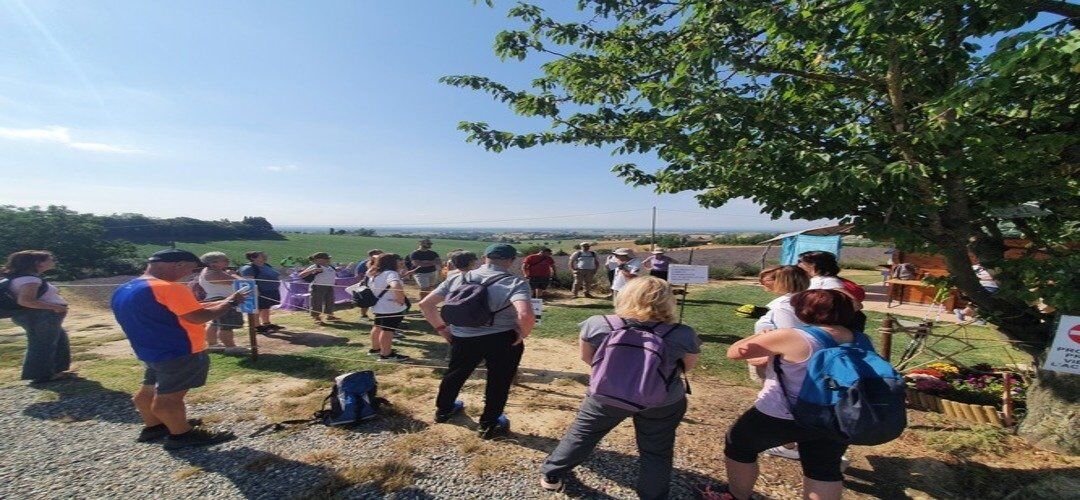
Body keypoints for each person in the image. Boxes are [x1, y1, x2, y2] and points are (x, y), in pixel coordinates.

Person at [539, 276, 700, 497]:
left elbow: (588, 358)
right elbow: (687, 367)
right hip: (662, 399)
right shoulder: (683, 333)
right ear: (668, 301)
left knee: (582, 434)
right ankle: (653, 495)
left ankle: (552, 474)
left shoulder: (597, 323)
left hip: (607, 393)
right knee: (656, 450)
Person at [722, 289, 858, 500]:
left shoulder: (794, 336)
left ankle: (736, 495)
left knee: (738, 444)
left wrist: (764, 335)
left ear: (806, 311)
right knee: (823, 470)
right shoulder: (858, 338)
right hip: (837, 415)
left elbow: (735, 352)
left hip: (783, 413)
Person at [110, 249, 249, 449]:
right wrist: (232, 302)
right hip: (179, 349)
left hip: (150, 349)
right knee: (170, 397)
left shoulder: (127, 287)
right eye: (191, 270)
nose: (189, 275)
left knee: (148, 389)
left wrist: (223, 301)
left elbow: (182, 309)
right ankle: (181, 435)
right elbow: (198, 317)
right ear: (179, 264)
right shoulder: (169, 288)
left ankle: (155, 426)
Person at [418, 244, 534, 439]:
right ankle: (489, 424)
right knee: (499, 380)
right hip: (502, 339)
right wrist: (523, 334)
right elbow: (525, 313)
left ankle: (444, 410)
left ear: (484, 258)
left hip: (463, 336)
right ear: (511, 260)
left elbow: (425, 304)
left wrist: (442, 329)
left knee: (455, 373)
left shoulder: (457, 277)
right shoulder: (515, 282)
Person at [2, 250, 74, 383]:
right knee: (42, 344)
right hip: (40, 316)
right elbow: (26, 301)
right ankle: (42, 375)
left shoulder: (24, 278)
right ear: (38, 263)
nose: (53, 261)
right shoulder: (30, 280)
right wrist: (55, 307)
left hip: (38, 316)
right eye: (50, 259)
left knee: (58, 339)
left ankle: (57, 370)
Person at [196, 252, 246, 354]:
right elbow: (240, 282)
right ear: (213, 264)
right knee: (226, 325)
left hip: (215, 299)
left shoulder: (208, 272)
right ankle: (230, 347)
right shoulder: (214, 273)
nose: (228, 261)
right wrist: (233, 274)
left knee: (215, 323)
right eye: (224, 260)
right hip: (224, 300)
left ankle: (213, 344)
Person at [365, 253, 411, 362]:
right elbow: (396, 285)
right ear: (392, 262)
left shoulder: (373, 272)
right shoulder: (391, 273)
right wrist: (400, 299)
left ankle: (375, 349)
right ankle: (386, 355)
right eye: (398, 260)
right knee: (388, 331)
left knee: (377, 327)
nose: (401, 262)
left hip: (378, 306)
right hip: (390, 307)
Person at [238, 251, 283, 334]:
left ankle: (267, 323)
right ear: (253, 258)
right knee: (258, 308)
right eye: (262, 256)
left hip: (271, 290)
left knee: (266, 307)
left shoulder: (266, 265)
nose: (265, 256)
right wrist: (256, 291)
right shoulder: (249, 268)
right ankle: (257, 326)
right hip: (260, 292)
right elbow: (249, 281)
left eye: (264, 255)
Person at [299, 252, 339, 324]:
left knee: (330, 301)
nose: (329, 259)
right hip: (318, 287)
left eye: (328, 258)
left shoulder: (330, 266)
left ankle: (330, 315)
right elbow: (301, 275)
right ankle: (316, 317)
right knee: (317, 302)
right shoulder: (315, 266)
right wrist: (313, 270)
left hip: (330, 286)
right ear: (319, 260)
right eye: (326, 258)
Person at [356, 249, 383, 319]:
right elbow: (359, 275)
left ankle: (379, 314)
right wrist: (361, 285)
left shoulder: (382, 263)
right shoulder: (364, 264)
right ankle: (363, 315)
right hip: (367, 285)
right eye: (379, 254)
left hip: (378, 285)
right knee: (366, 301)